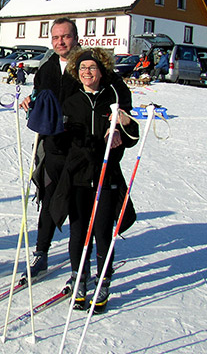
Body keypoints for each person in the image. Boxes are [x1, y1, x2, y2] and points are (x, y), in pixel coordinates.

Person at [51, 48, 138, 312]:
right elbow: (58, 141)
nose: (86, 72)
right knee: (78, 231)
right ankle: (79, 277)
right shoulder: (72, 101)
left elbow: (133, 138)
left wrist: (124, 125)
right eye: (82, 69)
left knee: (102, 232)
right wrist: (60, 131)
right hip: (77, 176)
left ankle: (103, 280)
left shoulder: (112, 101)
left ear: (101, 72)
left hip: (106, 175)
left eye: (92, 68)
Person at [19, 18, 82, 279]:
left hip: (80, 148)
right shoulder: (47, 68)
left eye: (65, 36)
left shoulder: (87, 65)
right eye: (55, 38)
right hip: (52, 146)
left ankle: (79, 265)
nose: (60, 42)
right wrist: (29, 102)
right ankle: (41, 254)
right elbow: (37, 94)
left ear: (75, 38)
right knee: (46, 200)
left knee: (78, 205)